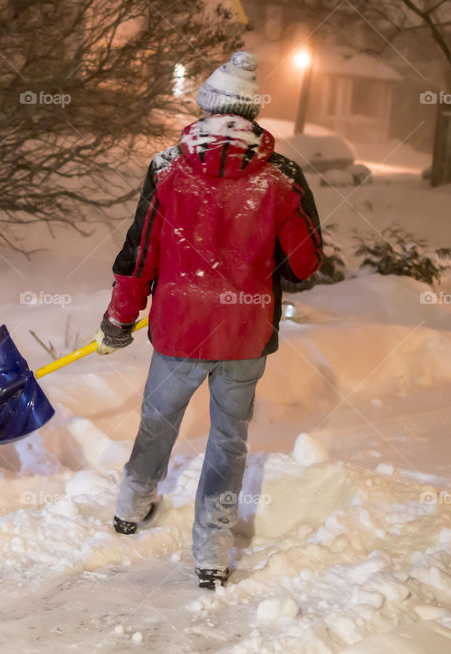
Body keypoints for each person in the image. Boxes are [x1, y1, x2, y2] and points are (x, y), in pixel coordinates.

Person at [93, 50, 323, 590]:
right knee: (227, 441)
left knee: (158, 420)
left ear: (206, 108)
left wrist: (119, 320)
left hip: (178, 329)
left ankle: (131, 506)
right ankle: (211, 550)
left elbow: (140, 253)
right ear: (253, 115)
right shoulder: (282, 177)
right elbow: (305, 264)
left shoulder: (168, 167)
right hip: (245, 337)